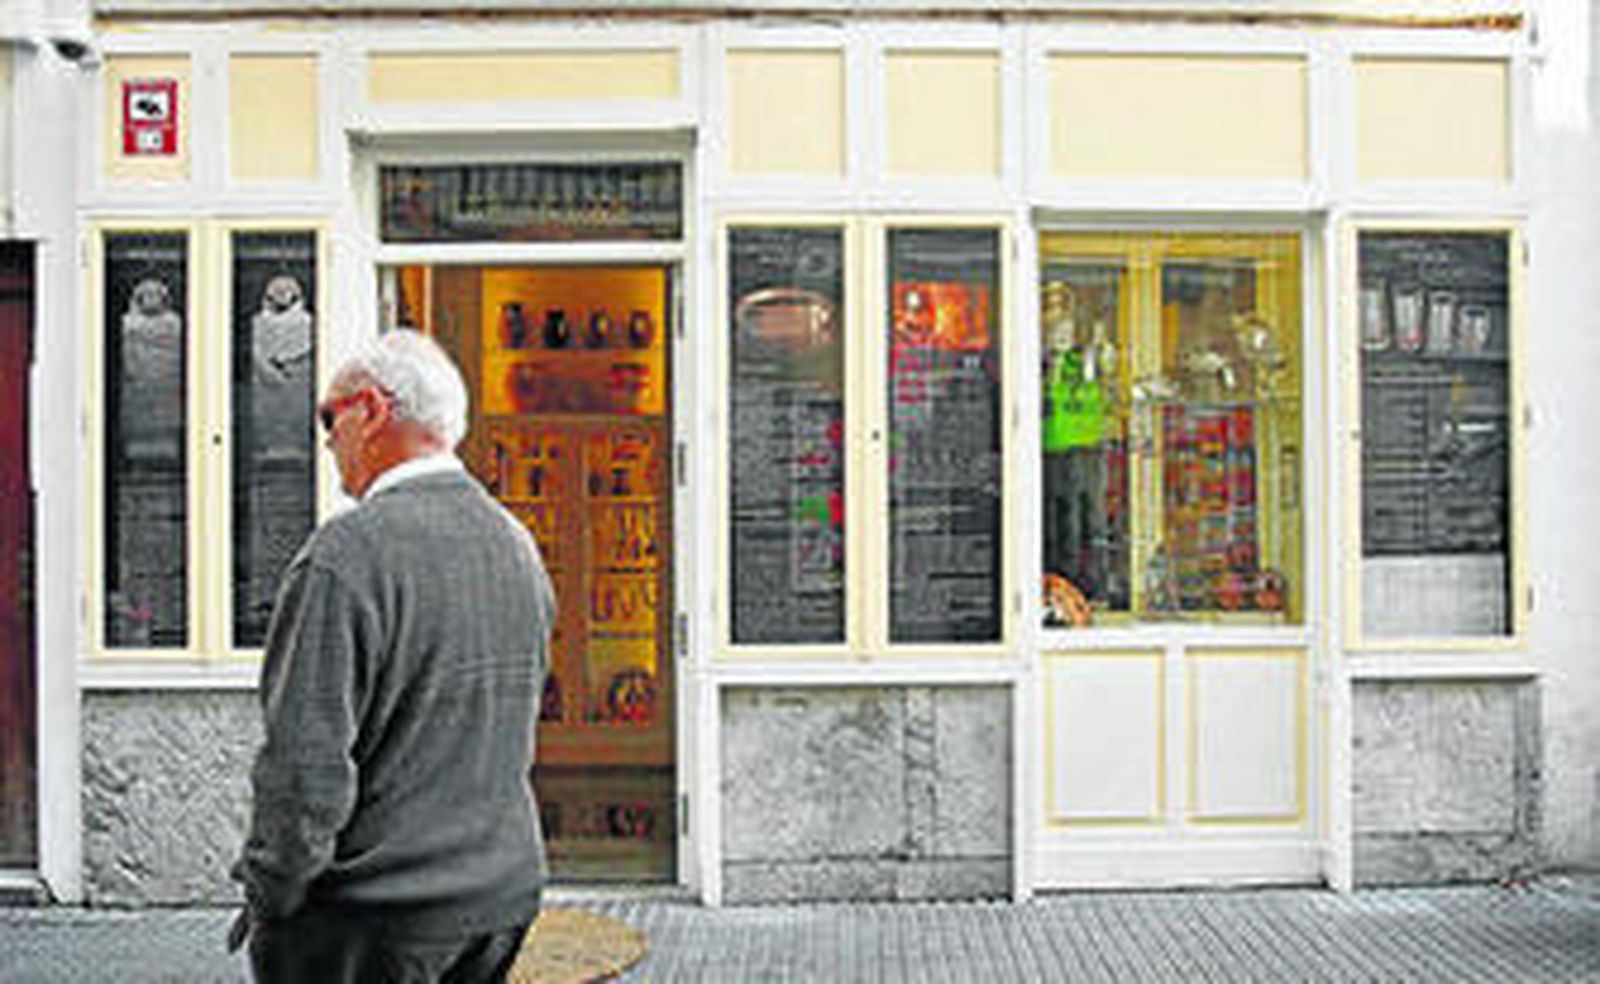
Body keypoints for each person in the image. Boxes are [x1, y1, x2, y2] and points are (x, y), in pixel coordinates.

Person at [230, 328, 556, 983]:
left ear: (373, 410)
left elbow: (304, 768)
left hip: (372, 917)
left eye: (330, 416)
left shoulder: (343, 556)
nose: (325, 438)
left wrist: (271, 895)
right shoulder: (516, 543)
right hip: (496, 901)